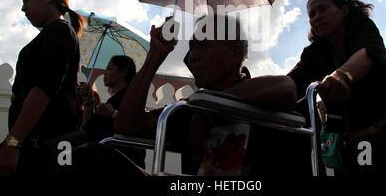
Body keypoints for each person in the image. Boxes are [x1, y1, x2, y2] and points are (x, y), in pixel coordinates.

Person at [114, 14, 310, 176]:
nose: (193, 56)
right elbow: (127, 125)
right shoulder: (189, 110)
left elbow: (286, 88)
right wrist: (155, 54)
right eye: (192, 47)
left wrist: (210, 107)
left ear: (234, 53)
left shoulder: (262, 98)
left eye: (204, 44)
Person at [287, 0, 386, 176]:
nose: (316, 17)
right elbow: (290, 83)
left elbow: (368, 54)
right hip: (356, 142)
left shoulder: (363, 27)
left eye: (323, 9)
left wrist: (342, 76)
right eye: (311, 14)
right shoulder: (314, 53)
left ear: (344, 10)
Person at [0, 0, 86, 177]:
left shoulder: (59, 31)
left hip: (40, 142)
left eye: (27, 0)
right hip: (33, 140)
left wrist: (13, 143)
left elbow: (45, 88)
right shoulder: (55, 34)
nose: (23, 9)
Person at [80, 55, 136, 141]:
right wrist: (88, 100)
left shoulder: (124, 100)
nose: (105, 74)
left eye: (109, 69)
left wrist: (113, 114)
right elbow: (88, 127)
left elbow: (88, 130)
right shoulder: (122, 98)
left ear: (123, 72)